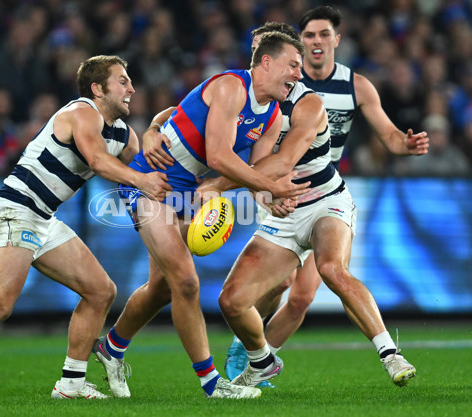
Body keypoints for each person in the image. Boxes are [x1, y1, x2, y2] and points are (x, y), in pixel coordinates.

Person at [0, 55, 172, 405]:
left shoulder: (121, 132)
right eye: (122, 81)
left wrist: (171, 159)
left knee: (100, 290)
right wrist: (142, 181)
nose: (132, 88)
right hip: (16, 210)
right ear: (97, 88)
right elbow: (98, 161)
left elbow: (149, 166)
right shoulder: (82, 111)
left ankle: (71, 384)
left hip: (42, 217)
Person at [92, 32, 310, 399]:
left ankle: (110, 348)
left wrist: (267, 197)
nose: (299, 75)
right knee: (187, 282)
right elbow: (219, 159)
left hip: (188, 195)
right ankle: (212, 384)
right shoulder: (230, 87)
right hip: (152, 182)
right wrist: (152, 130)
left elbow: (252, 170)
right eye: (293, 65)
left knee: (162, 287)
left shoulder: (272, 115)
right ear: (267, 62)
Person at [223, 7, 428, 388]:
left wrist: (214, 188)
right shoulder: (248, 98)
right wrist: (263, 193)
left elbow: (279, 160)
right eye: (309, 37)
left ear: (336, 39)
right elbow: (257, 162)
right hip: (284, 202)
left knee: (323, 277)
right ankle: (256, 356)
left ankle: (390, 354)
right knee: (234, 299)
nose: (315, 43)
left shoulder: (320, 97)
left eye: (322, 35)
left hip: (325, 197)